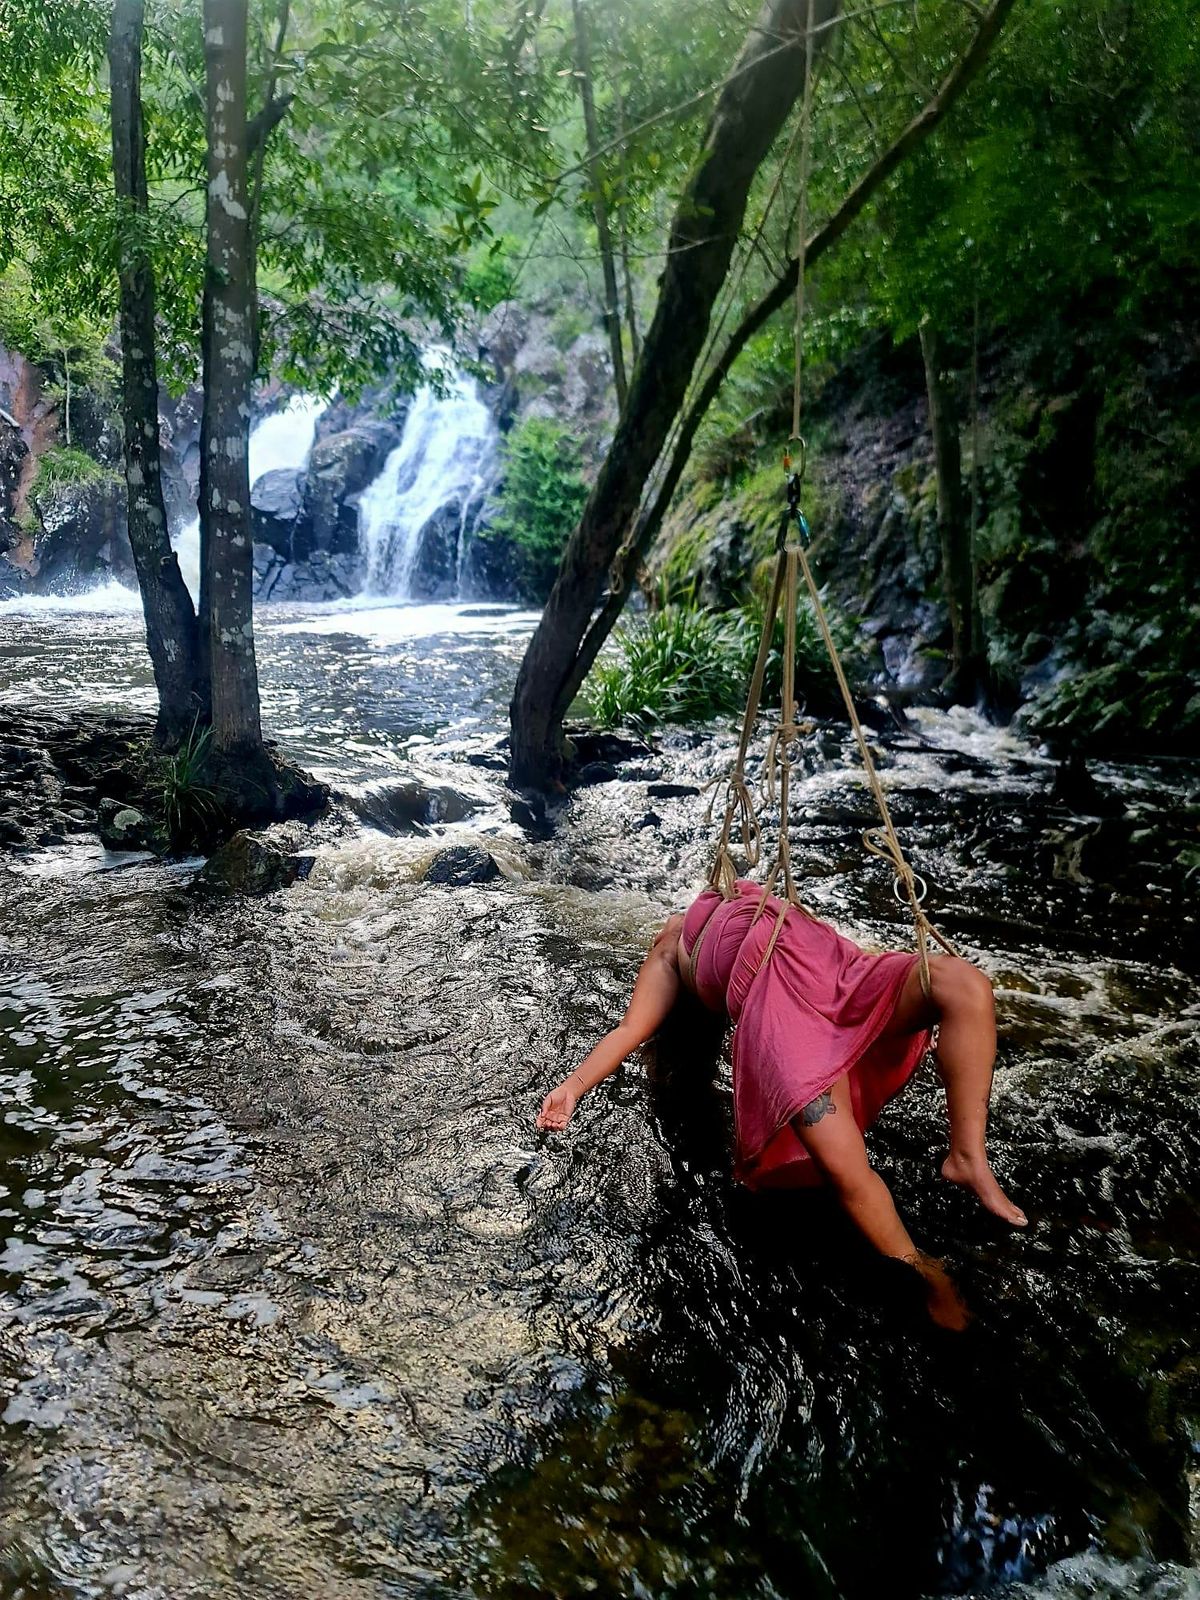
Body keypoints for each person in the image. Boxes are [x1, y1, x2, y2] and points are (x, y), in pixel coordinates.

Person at [536, 878, 1027, 1330]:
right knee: (847, 1169)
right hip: (782, 1015)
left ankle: (967, 1157)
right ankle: (921, 1271)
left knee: (966, 985)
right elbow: (629, 1029)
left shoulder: (719, 895)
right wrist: (572, 1088)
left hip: (836, 971)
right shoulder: (668, 955)